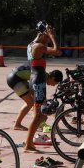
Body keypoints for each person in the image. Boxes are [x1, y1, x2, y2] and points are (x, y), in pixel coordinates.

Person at [25, 21, 62, 151]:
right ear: (42, 35)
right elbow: (57, 51)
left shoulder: (31, 45)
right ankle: (28, 144)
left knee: (42, 115)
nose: (48, 40)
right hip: (38, 83)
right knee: (38, 117)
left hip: (34, 81)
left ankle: (29, 142)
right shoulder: (38, 46)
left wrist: (47, 35)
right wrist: (52, 36)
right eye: (46, 37)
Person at [6, 64, 63, 132]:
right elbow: (38, 96)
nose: (53, 85)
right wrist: (41, 114)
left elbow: (38, 96)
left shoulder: (44, 75)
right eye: (55, 83)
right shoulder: (42, 77)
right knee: (30, 103)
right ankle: (17, 124)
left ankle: (32, 122)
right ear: (53, 78)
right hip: (15, 79)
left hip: (16, 77)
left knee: (33, 102)